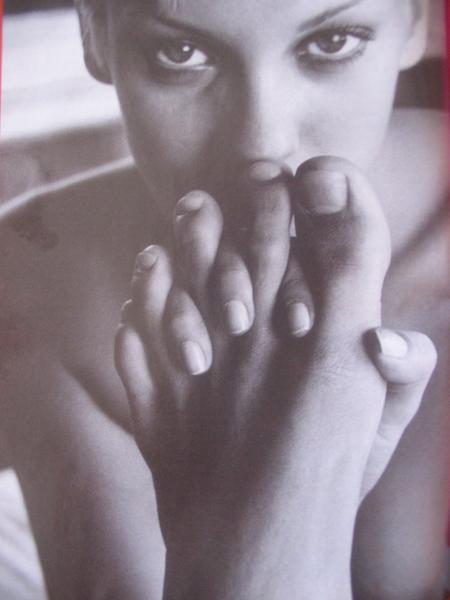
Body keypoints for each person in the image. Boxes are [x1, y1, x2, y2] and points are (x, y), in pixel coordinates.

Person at [0, 0, 447, 598]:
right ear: (94, 34)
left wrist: (263, 528)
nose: (263, 141)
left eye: (333, 41)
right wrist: (276, 522)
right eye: (179, 52)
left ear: (418, 18)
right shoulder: (33, 272)